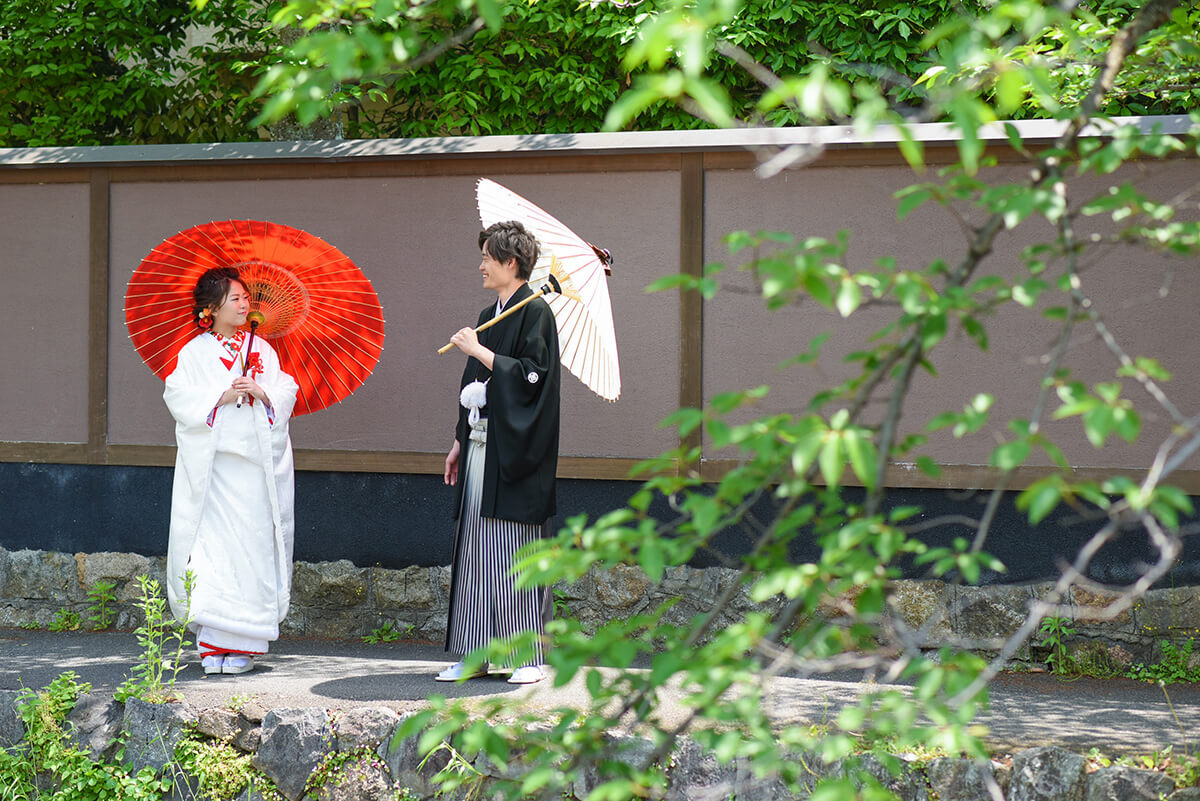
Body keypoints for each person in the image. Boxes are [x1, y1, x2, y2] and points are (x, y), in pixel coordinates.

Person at [439, 220, 561, 685]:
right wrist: (456, 441)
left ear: (512, 263)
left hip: (516, 453)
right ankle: (474, 653)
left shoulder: (537, 315)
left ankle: (527, 655)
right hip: (479, 447)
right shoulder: (492, 313)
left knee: (514, 549)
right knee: (474, 548)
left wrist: (481, 352)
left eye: (488, 257)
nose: (482, 265)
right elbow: (471, 386)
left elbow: (534, 377)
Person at [164, 267, 299, 676]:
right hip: (215, 469)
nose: (244, 305)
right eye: (235, 298)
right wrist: (221, 395)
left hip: (254, 469)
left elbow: (285, 390)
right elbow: (178, 396)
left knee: (252, 548)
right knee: (212, 550)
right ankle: (212, 640)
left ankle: (244, 642)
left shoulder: (263, 351)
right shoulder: (195, 353)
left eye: (245, 298)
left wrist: (262, 391)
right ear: (211, 308)